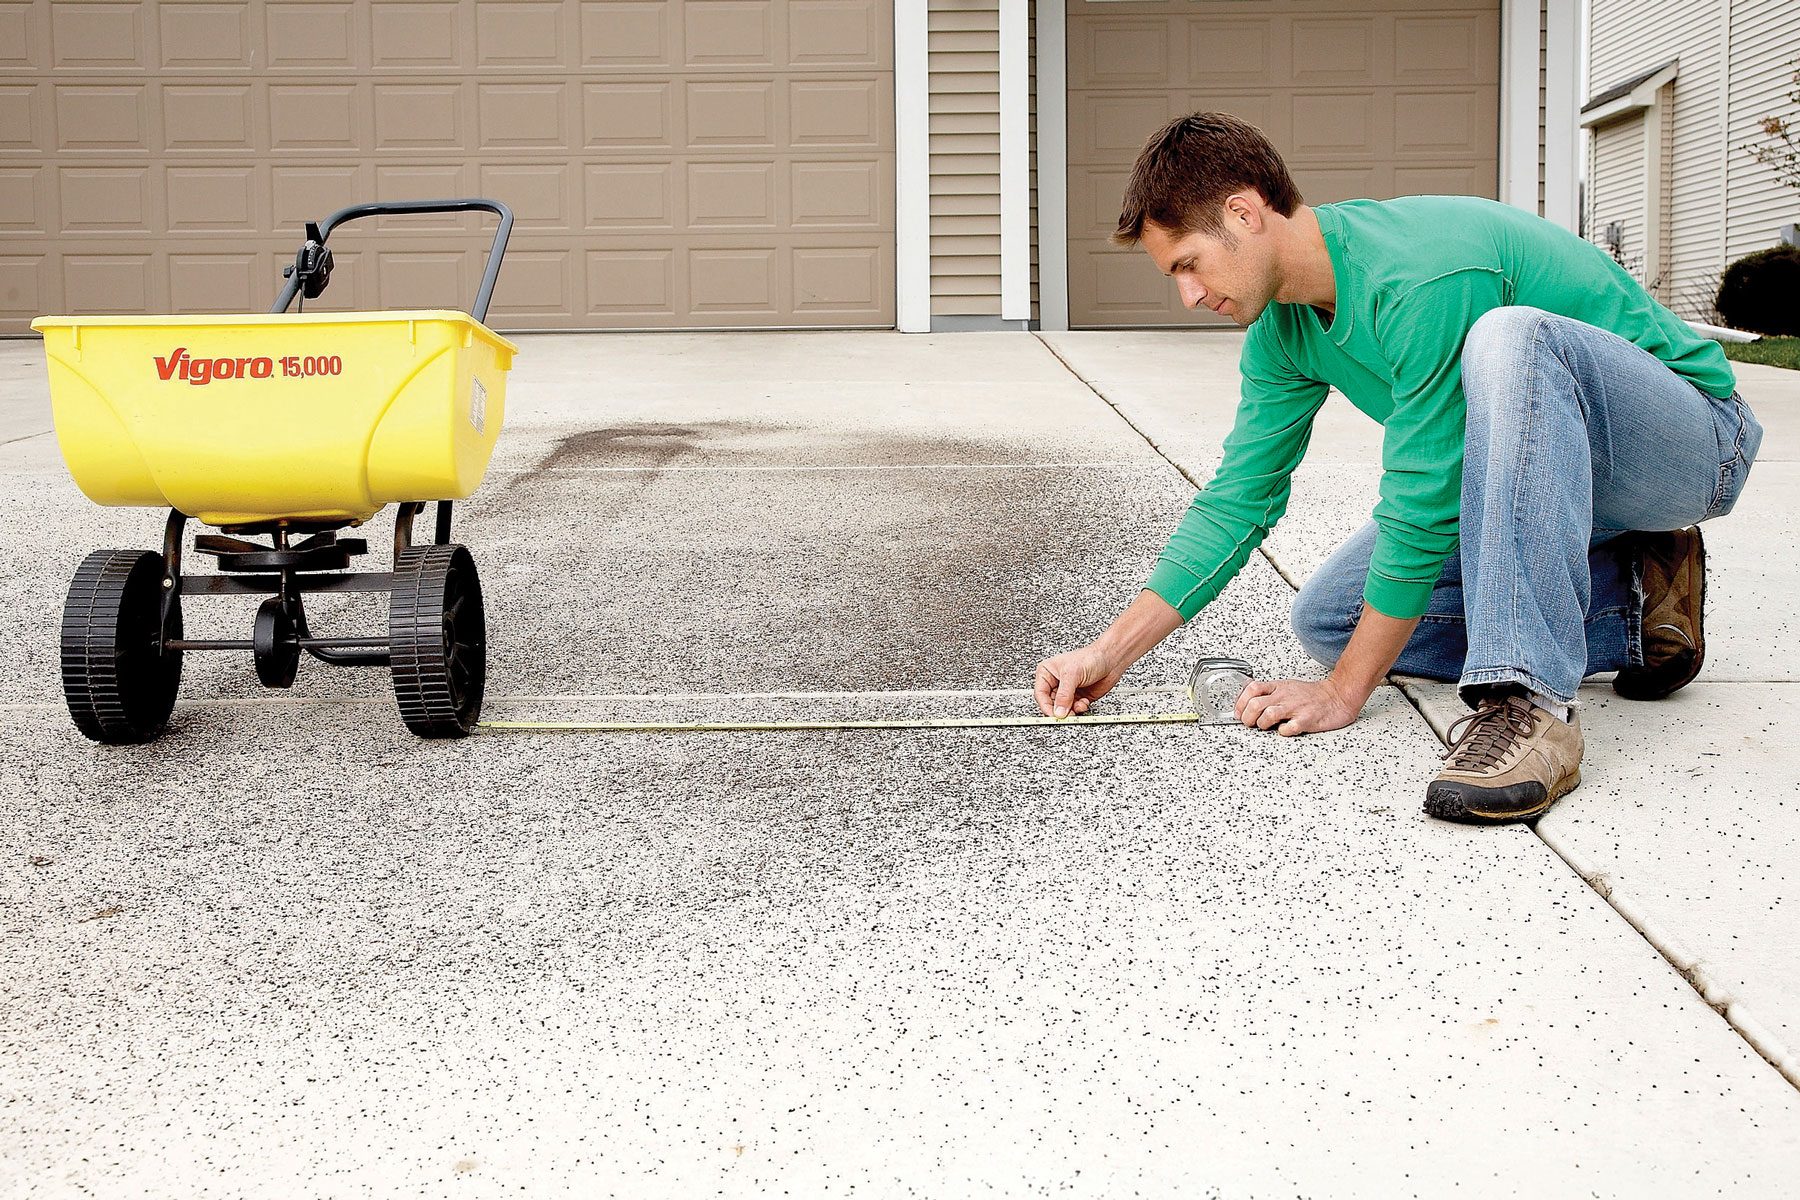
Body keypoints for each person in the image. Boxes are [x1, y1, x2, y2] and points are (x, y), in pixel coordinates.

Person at [1032, 112, 1764, 825]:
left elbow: (1424, 503)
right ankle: (1636, 602)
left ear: (1245, 213)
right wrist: (1109, 653)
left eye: (1188, 264)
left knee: (1510, 339)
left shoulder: (1418, 276)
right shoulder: (1282, 331)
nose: (1189, 295)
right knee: (1331, 619)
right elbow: (1236, 501)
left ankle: (1533, 703)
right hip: (1556, 482)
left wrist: (1344, 693)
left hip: (1691, 441)